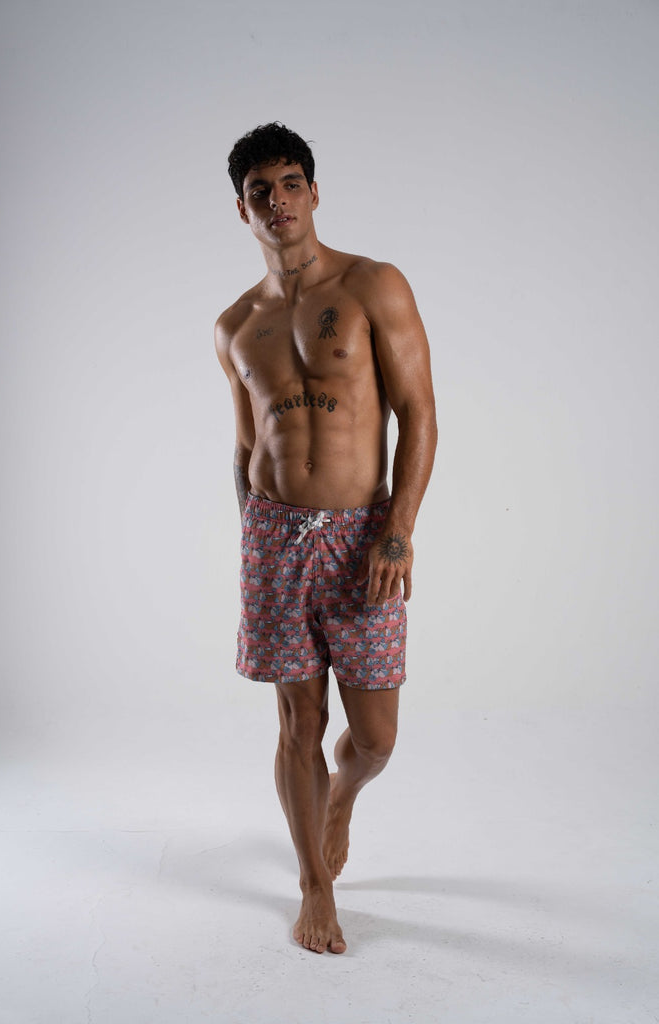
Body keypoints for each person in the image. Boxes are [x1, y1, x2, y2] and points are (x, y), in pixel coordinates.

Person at [215, 123, 437, 955]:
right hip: (273, 537)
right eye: (259, 191)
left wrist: (398, 531)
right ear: (242, 210)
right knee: (295, 722)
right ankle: (314, 885)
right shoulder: (235, 325)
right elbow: (247, 444)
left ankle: (341, 796)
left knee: (374, 739)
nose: (277, 201)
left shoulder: (374, 284)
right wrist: (253, 540)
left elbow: (419, 413)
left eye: (290, 183)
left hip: (362, 535)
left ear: (314, 192)